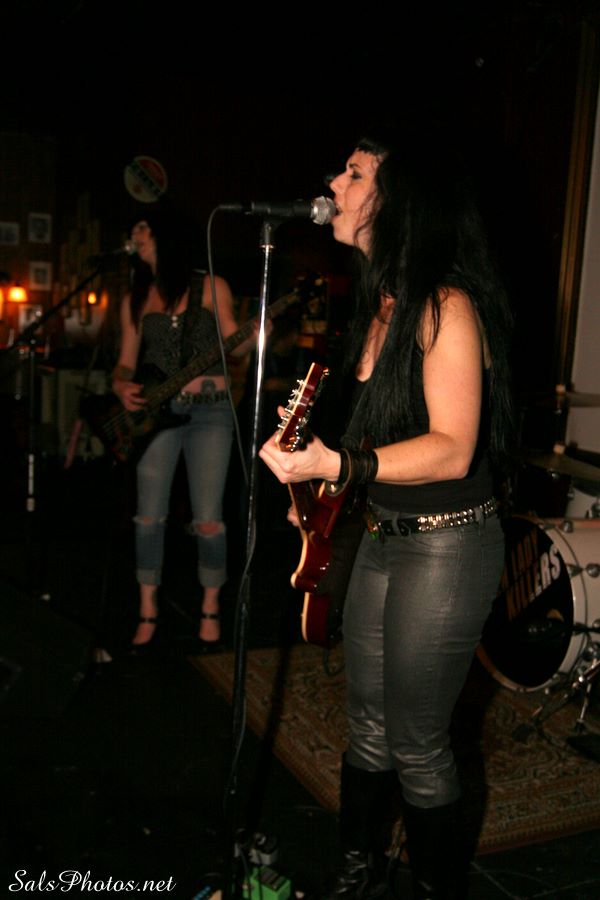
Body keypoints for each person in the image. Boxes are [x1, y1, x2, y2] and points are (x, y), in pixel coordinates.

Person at [259, 124, 514, 898]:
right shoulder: (378, 306)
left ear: (399, 200)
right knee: (366, 722)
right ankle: (358, 872)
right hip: (382, 535)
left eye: (354, 172)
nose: (333, 184)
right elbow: (373, 444)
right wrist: (313, 490)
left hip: (448, 545)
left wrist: (338, 464)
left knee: (418, 741)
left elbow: (452, 449)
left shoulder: (446, 306)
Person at [112, 209, 255, 650]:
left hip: (211, 410)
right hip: (156, 413)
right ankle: (147, 607)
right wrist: (119, 385)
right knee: (148, 515)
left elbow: (236, 343)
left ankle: (210, 605)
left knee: (208, 517)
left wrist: (254, 335)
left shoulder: (210, 286)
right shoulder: (136, 297)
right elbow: (126, 361)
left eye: (142, 226)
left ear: (164, 233)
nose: (134, 233)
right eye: (133, 228)